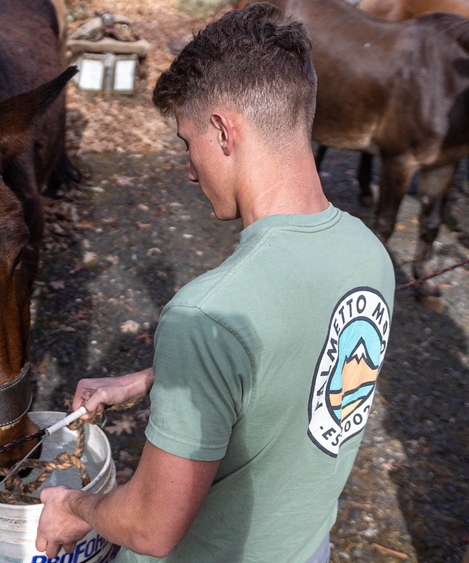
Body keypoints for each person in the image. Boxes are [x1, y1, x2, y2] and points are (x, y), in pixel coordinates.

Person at [35, 3, 396, 562]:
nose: (188, 167)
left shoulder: (206, 314)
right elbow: (298, 368)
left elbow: (153, 528)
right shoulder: (368, 256)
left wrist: (73, 505)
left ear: (225, 130)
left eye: (187, 141)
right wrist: (156, 379)